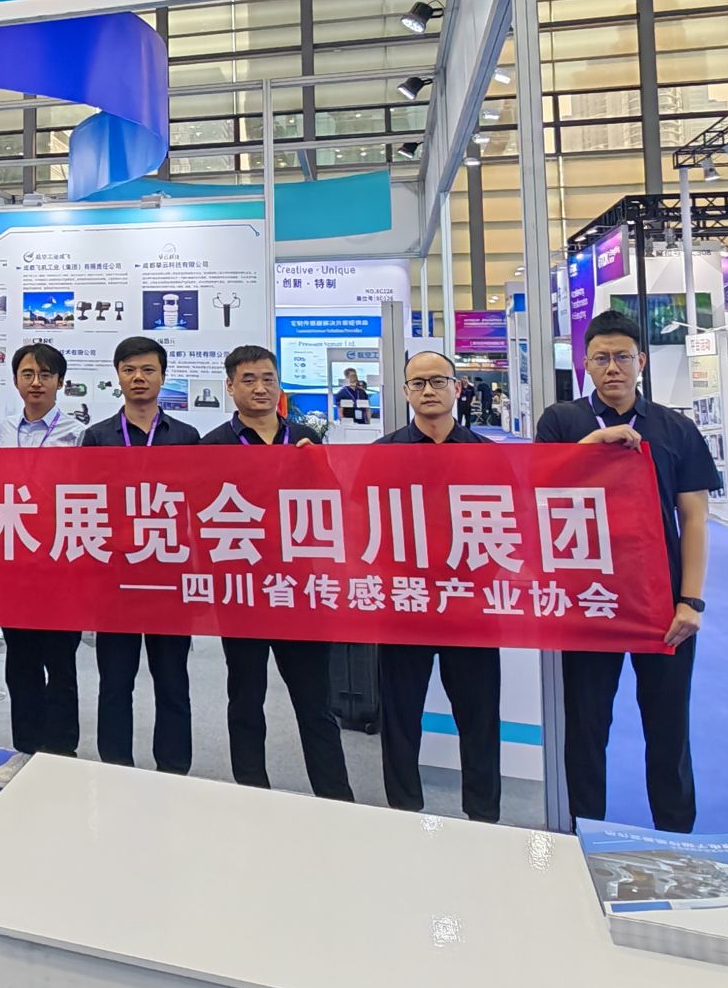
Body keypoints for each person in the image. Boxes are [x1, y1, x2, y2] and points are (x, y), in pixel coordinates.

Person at [537, 309, 713, 833]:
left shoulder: (675, 428)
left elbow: (694, 518)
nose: (612, 367)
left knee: (669, 726)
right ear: (585, 364)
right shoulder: (561, 422)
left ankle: (675, 837)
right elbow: (539, 490)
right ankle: (583, 833)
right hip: (587, 599)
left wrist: (691, 600)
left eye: (622, 357)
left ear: (641, 361)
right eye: (600, 358)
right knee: (586, 726)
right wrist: (589, 447)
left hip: (661, 600)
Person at [202, 345, 354, 801]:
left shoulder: (304, 437)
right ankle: (252, 794)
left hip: (299, 588)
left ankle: (336, 798)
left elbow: (331, 506)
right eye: (248, 379)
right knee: (246, 699)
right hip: (242, 588)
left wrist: (318, 469)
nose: (260, 388)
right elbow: (200, 515)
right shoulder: (212, 446)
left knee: (315, 702)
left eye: (268, 378)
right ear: (230, 387)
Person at [375, 350, 500, 823]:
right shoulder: (383, 454)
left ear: (457, 388)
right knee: (400, 717)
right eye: (418, 383)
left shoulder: (487, 455)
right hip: (404, 605)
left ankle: (484, 818)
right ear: (406, 392)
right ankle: (404, 812)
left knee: (480, 717)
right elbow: (360, 523)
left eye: (438, 381)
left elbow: (511, 525)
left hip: (469, 607)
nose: (429, 391)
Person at [82, 336, 200, 776]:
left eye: (148, 370)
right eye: (129, 370)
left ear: (162, 377)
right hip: (114, 579)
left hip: (170, 576)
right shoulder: (97, 437)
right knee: (115, 683)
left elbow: (201, 505)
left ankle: (174, 769)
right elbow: (86, 504)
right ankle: (115, 767)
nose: (138, 378)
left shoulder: (187, 438)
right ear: (117, 376)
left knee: (173, 682)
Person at [0, 341, 83, 789]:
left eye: (45, 375)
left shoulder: (77, 435)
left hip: (61, 563)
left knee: (60, 661)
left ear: (59, 382)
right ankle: (25, 749)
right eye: (28, 374)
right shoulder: (1, 431)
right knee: (21, 660)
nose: (36, 383)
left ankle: (62, 753)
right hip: (12, 560)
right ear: (15, 381)